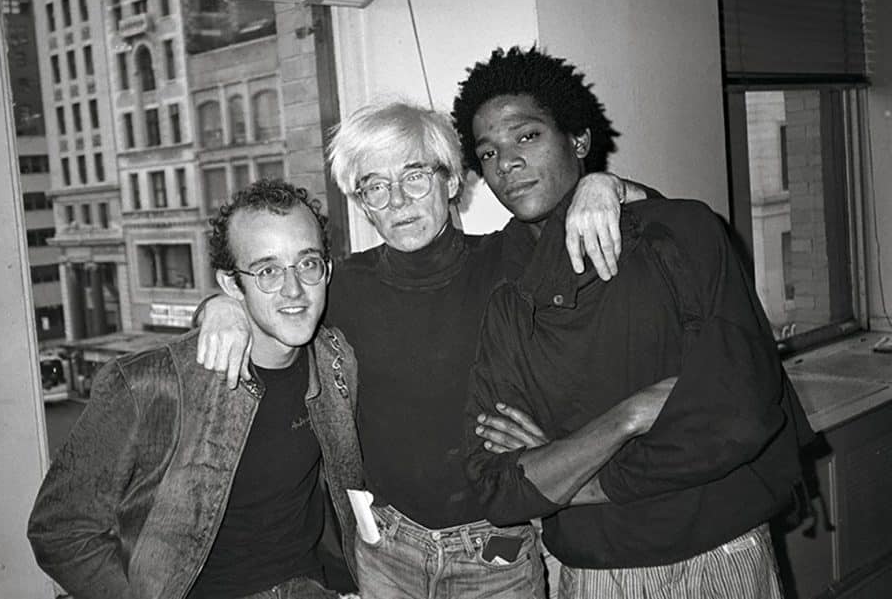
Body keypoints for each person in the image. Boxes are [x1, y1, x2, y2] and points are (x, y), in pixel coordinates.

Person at [196, 103, 673, 599]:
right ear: (362, 204)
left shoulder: (509, 257)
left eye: (415, 177)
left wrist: (606, 187)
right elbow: (271, 301)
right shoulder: (340, 287)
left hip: (496, 549)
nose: (398, 200)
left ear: (451, 183)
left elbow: (653, 231)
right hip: (386, 550)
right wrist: (218, 307)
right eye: (376, 186)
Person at [454, 46, 812, 599]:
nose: (507, 163)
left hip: (718, 555)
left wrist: (565, 468)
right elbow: (499, 488)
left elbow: (735, 420)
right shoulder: (505, 293)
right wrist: (628, 418)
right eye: (488, 152)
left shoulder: (680, 234)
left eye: (527, 137)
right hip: (592, 573)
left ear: (577, 140)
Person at [27, 180, 362, 599]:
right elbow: (58, 528)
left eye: (307, 263)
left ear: (326, 270)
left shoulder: (335, 363)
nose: (294, 290)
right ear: (230, 284)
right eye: (268, 271)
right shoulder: (149, 384)